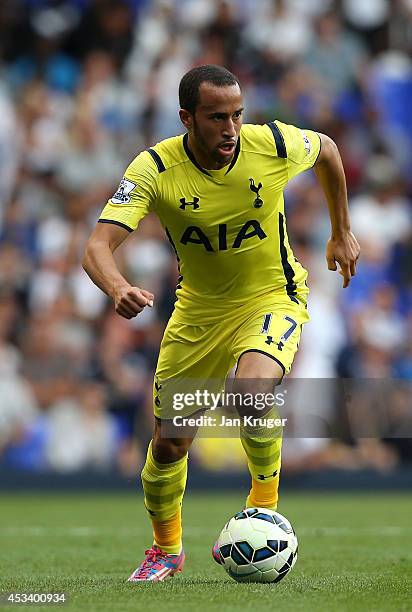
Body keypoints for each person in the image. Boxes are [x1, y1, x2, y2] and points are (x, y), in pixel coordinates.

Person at [82, 64, 360, 582]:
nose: (231, 129)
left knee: (253, 391)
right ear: (188, 118)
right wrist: (117, 286)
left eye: (237, 115)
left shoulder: (270, 143)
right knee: (169, 444)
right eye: (216, 118)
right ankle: (166, 549)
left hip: (272, 296)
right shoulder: (154, 169)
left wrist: (341, 231)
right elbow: (97, 246)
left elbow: (326, 148)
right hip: (198, 316)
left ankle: (264, 508)